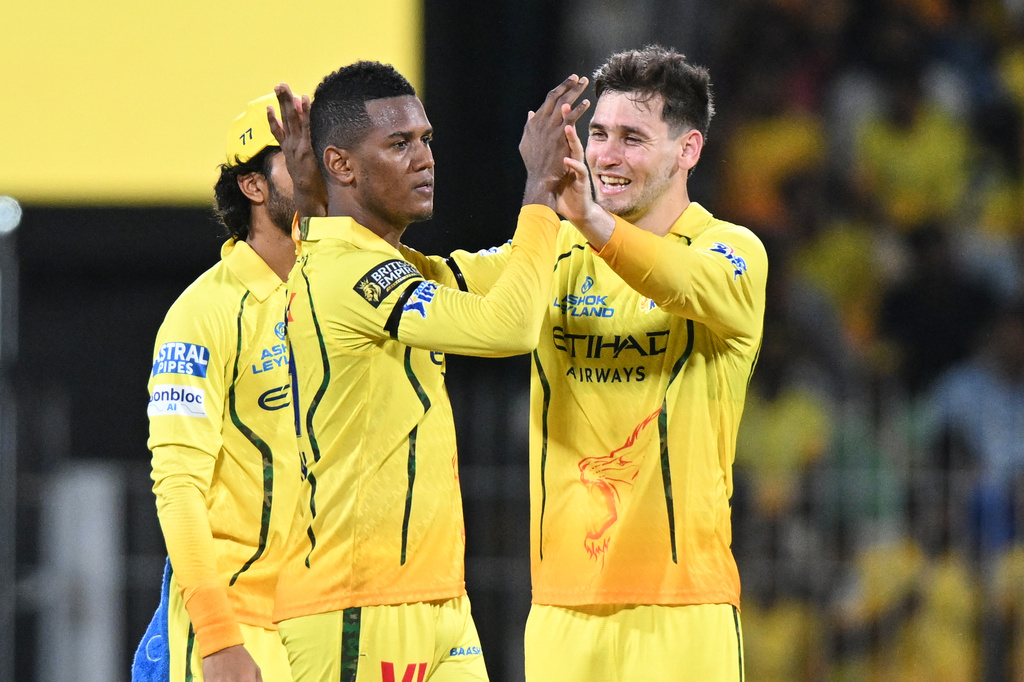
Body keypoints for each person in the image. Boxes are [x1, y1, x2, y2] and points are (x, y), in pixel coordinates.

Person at [397, 45, 766, 681]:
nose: (606, 156)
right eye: (596, 134)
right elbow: (439, 281)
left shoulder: (731, 251)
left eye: (632, 138)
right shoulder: (557, 251)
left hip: (684, 611)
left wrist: (590, 221)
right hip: (562, 611)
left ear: (689, 150)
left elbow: (685, 283)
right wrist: (342, 217)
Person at [271, 61, 589, 682]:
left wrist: (594, 206)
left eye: (426, 140)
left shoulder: (397, 266)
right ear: (341, 164)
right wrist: (538, 191)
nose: (425, 158)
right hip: (356, 605)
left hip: (441, 601)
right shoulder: (349, 272)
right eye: (399, 144)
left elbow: (511, 273)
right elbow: (510, 327)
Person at [134, 94, 300, 682]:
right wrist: (220, 638)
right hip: (233, 630)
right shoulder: (202, 313)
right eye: (296, 157)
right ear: (254, 188)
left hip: (314, 626)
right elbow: (177, 487)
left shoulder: (334, 297)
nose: (320, 170)